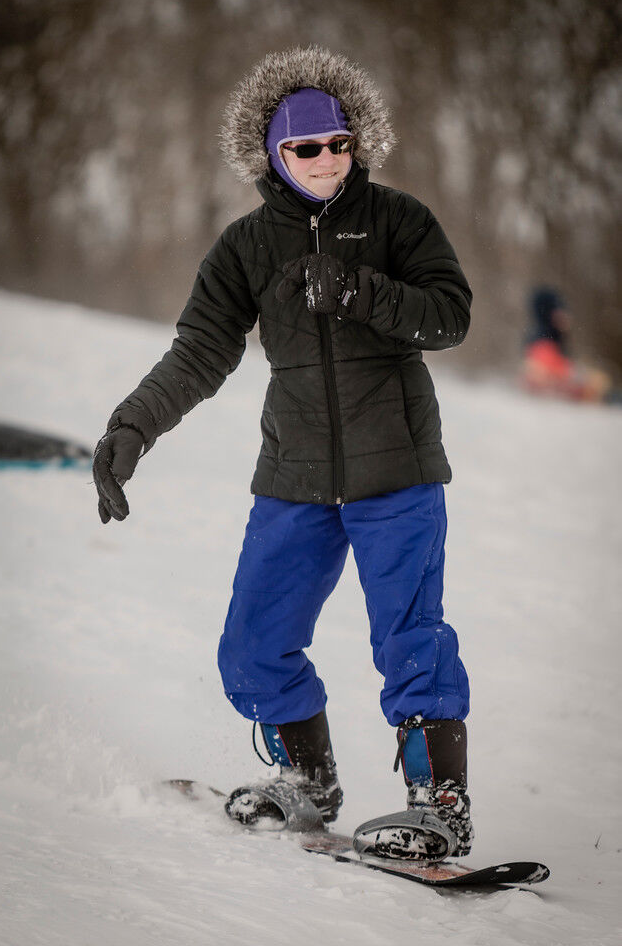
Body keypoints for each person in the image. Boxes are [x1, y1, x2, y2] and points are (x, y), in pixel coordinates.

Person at [92, 46, 474, 860]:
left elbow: (450, 316)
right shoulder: (245, 248)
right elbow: (200, 351)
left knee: (412, 640)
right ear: (272, 155)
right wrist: (131, 429)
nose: (328, 159)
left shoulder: (400, 221)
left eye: (339, 142)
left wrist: (362, 291)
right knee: (253, 643)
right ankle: (309, 782)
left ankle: (438, 804)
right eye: (307, 148)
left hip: (397, 471)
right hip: (294, 477)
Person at [520, 285, 618, 403]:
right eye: (560, 312)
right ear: (549, 315)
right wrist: (589, 388)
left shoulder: (551, 340)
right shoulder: (544, 344)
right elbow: (551, 381)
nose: (566, 317)